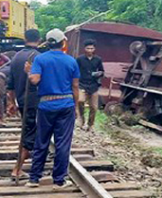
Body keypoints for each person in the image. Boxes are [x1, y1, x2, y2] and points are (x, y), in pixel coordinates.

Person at [26, 29, 80, 190]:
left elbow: (34, 80)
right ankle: (59, 180)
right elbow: (75, 86)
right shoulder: (71, 61)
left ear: (48, 42)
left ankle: (34, 178)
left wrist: (29, 72)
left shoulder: (40, 59)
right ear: (63, 42)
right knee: (63, 143)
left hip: (46, 105)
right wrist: (76, 107)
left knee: (41, 141)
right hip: (66, 104)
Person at [7, 29, 41, 179]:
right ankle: (17, 169)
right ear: (39, 39)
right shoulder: (38, 57)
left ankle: (30, 164)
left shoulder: (16, 57)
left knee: (29, 131)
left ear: (25, 38)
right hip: (35, 101)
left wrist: (11, 102)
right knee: (30, 135)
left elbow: (11, 84)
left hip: (22, 100)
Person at [75, 39, 105, 131]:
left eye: (92, 48)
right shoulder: (80, 59)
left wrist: (98, 74)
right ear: (85, 49)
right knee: (80, 101)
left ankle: (91, 124)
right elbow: (75, 71)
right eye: (88, 48)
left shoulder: (98, 59)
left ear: (94, 49)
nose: (90, 50)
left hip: (93, 85)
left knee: (94, 106)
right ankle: (81, 120)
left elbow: (102, 71)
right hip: (82, 83)